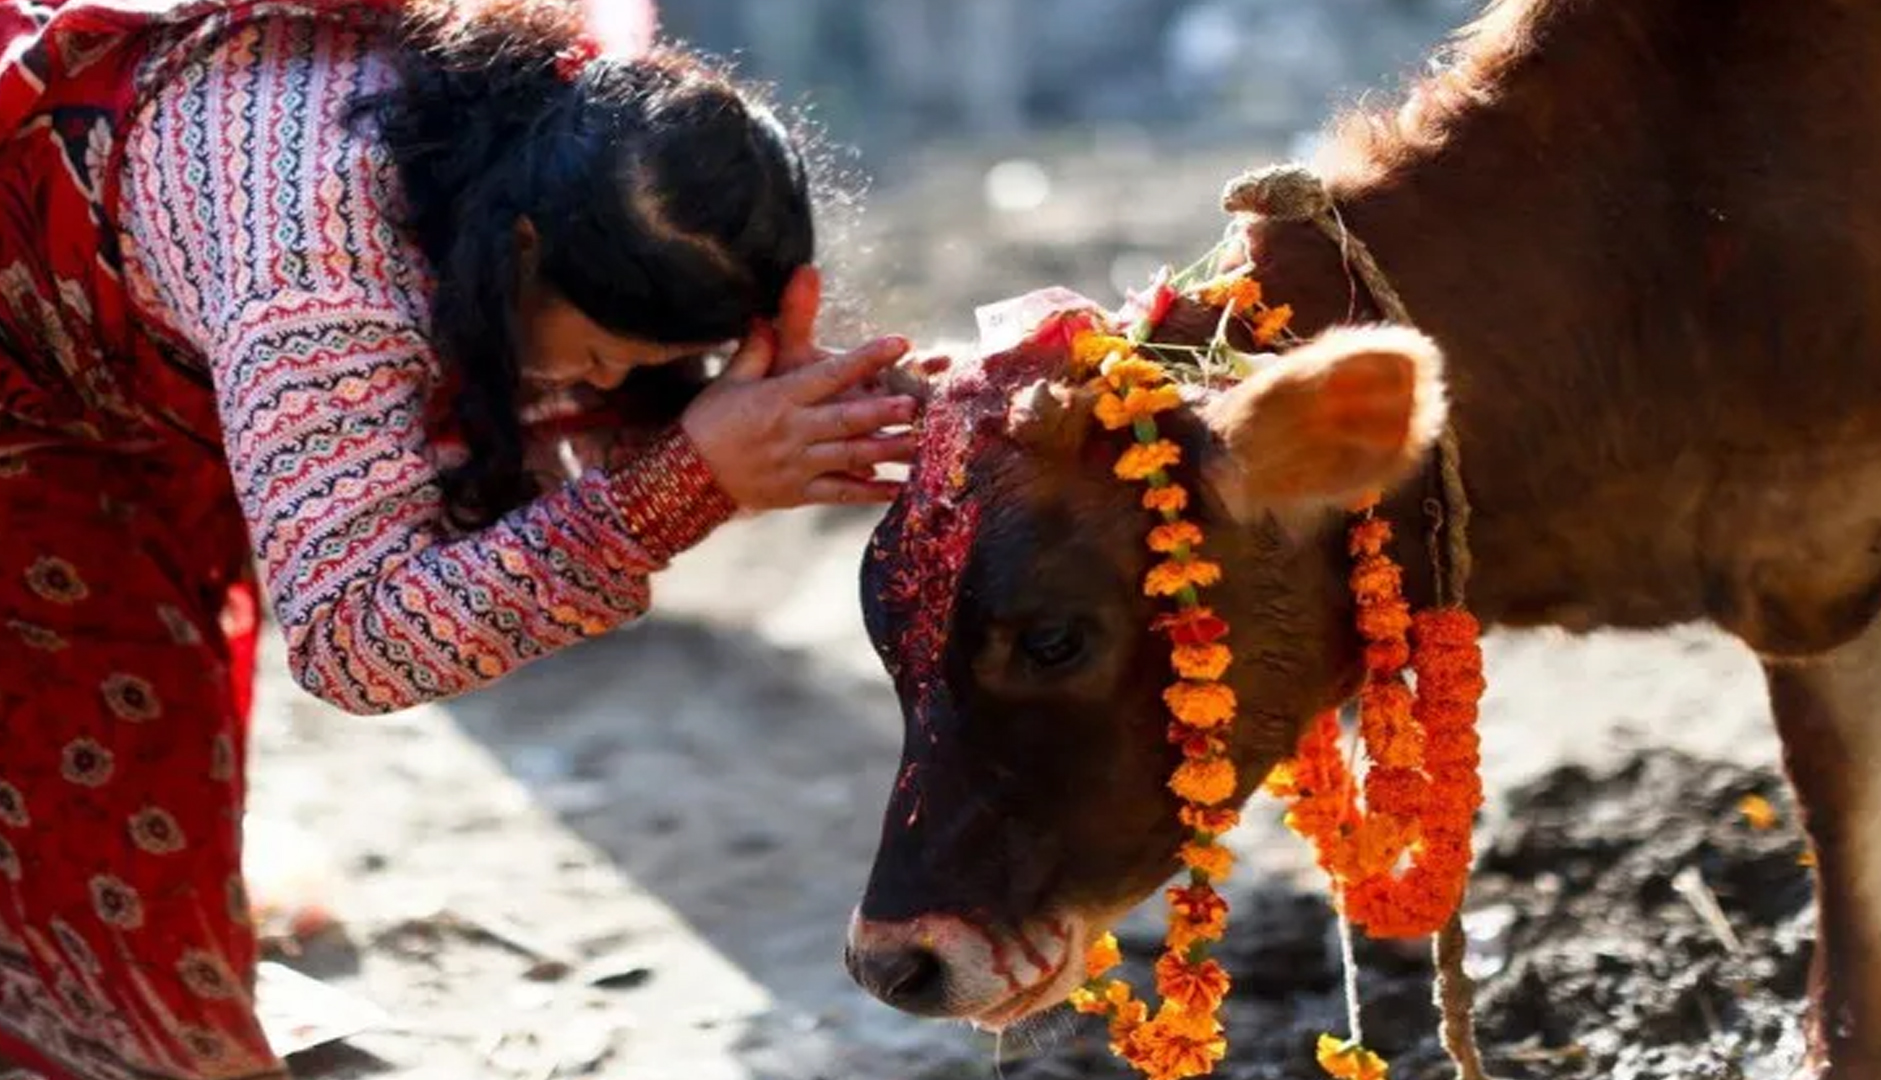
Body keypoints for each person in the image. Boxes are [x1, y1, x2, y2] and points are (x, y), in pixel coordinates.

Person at [0, 1, 926, 1076]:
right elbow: (357, 638)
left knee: (130, 861)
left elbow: (531, 410)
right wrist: (687, 485)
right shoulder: (319, 274)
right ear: (519, 247)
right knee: (117, 983)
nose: (604, 388)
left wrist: (788, 409)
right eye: (599, 354)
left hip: (121, 385)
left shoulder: (563, 123)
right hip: (34, 429)